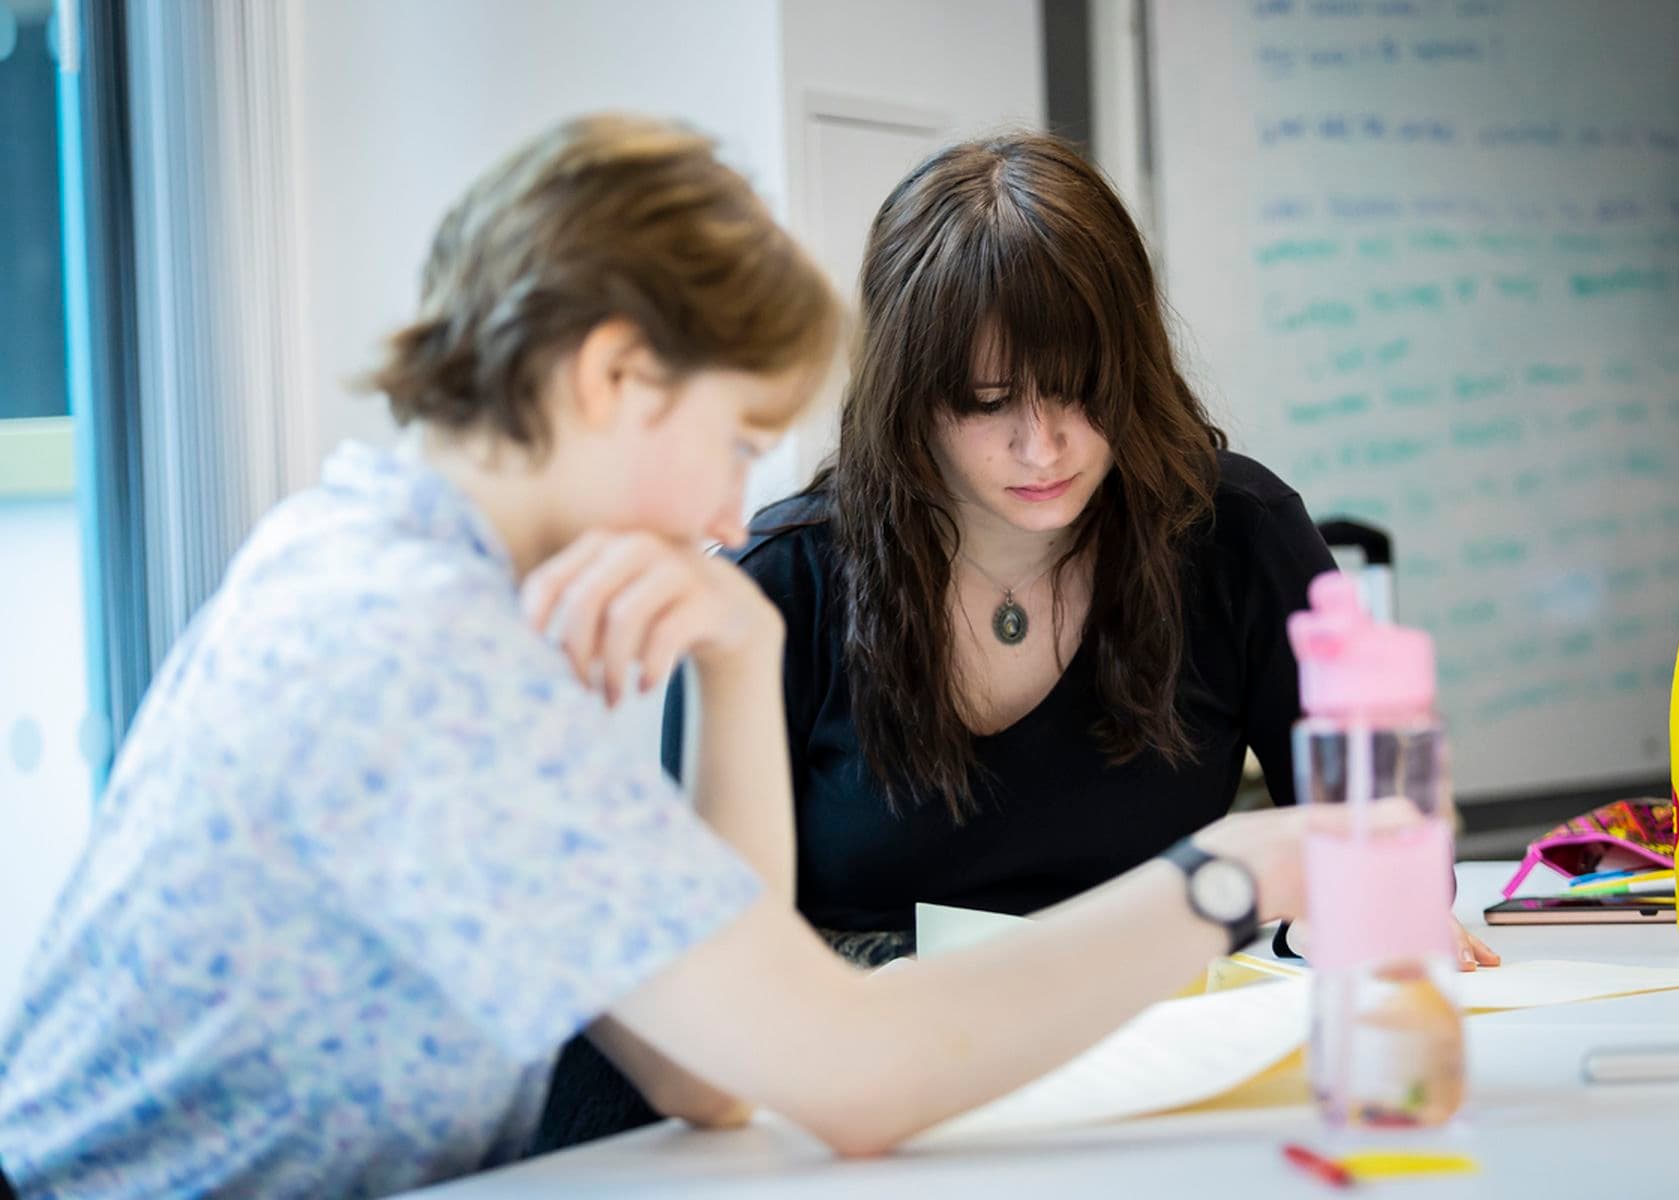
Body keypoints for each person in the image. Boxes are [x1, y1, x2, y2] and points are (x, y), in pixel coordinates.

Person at [0, 115, 1396, 1200]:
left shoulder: (358, 546)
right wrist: (1246, 870)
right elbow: (848, 1075)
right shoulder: (432, 660)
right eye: (734, 437)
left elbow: (696, 1070)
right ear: (614, 379)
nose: (737, 509)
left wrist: (738, 658)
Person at [656, 131, 1497, 967]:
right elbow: (709, 967)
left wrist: (1347, 906)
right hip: (879, 1064)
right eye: (986, 404)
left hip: (1166, 1052)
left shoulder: (1236, 531)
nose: (1043, 447)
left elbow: (1383, 839)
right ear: (907, 395)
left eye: (1079, 393)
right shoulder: (780, 584)